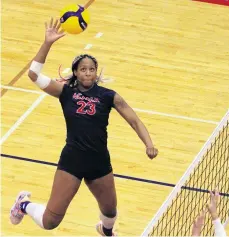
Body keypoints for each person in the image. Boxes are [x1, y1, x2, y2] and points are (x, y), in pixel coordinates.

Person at [9, 18, 158, 236]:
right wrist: (47, 43)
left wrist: (149, 144)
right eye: (83, 69)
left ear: (96, 72)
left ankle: (105, 231)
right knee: (50, 222)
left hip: (99, 161)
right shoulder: (65, 92)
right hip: (72, 161)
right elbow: (33, 75)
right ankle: (23, 204)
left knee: (110, 211)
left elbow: (134, 120)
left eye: (91, 69)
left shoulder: (108, 96)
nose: (88, 72)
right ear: (76, 73)